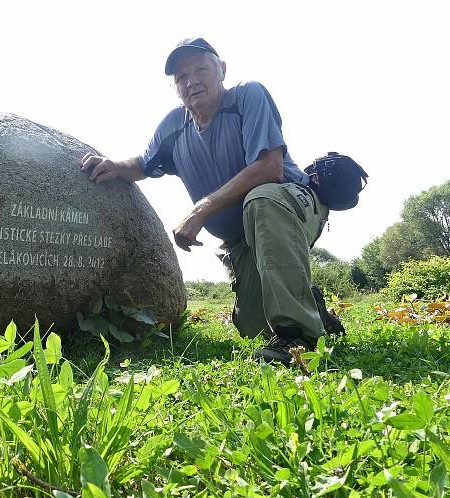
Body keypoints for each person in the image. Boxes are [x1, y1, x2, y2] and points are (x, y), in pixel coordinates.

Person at [81, 37, 342, 366]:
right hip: (242, 238)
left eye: (200, 69)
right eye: (180, 77)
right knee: (253, 329)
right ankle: (313, 310)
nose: (191, 81)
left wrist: (200, 210)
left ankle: (301, 338)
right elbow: (143, 164)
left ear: (221, 70)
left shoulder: (248, 96)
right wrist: (117, 166)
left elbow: (269, 168)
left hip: (292, 205)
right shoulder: (174, 125)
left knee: (262, 198)